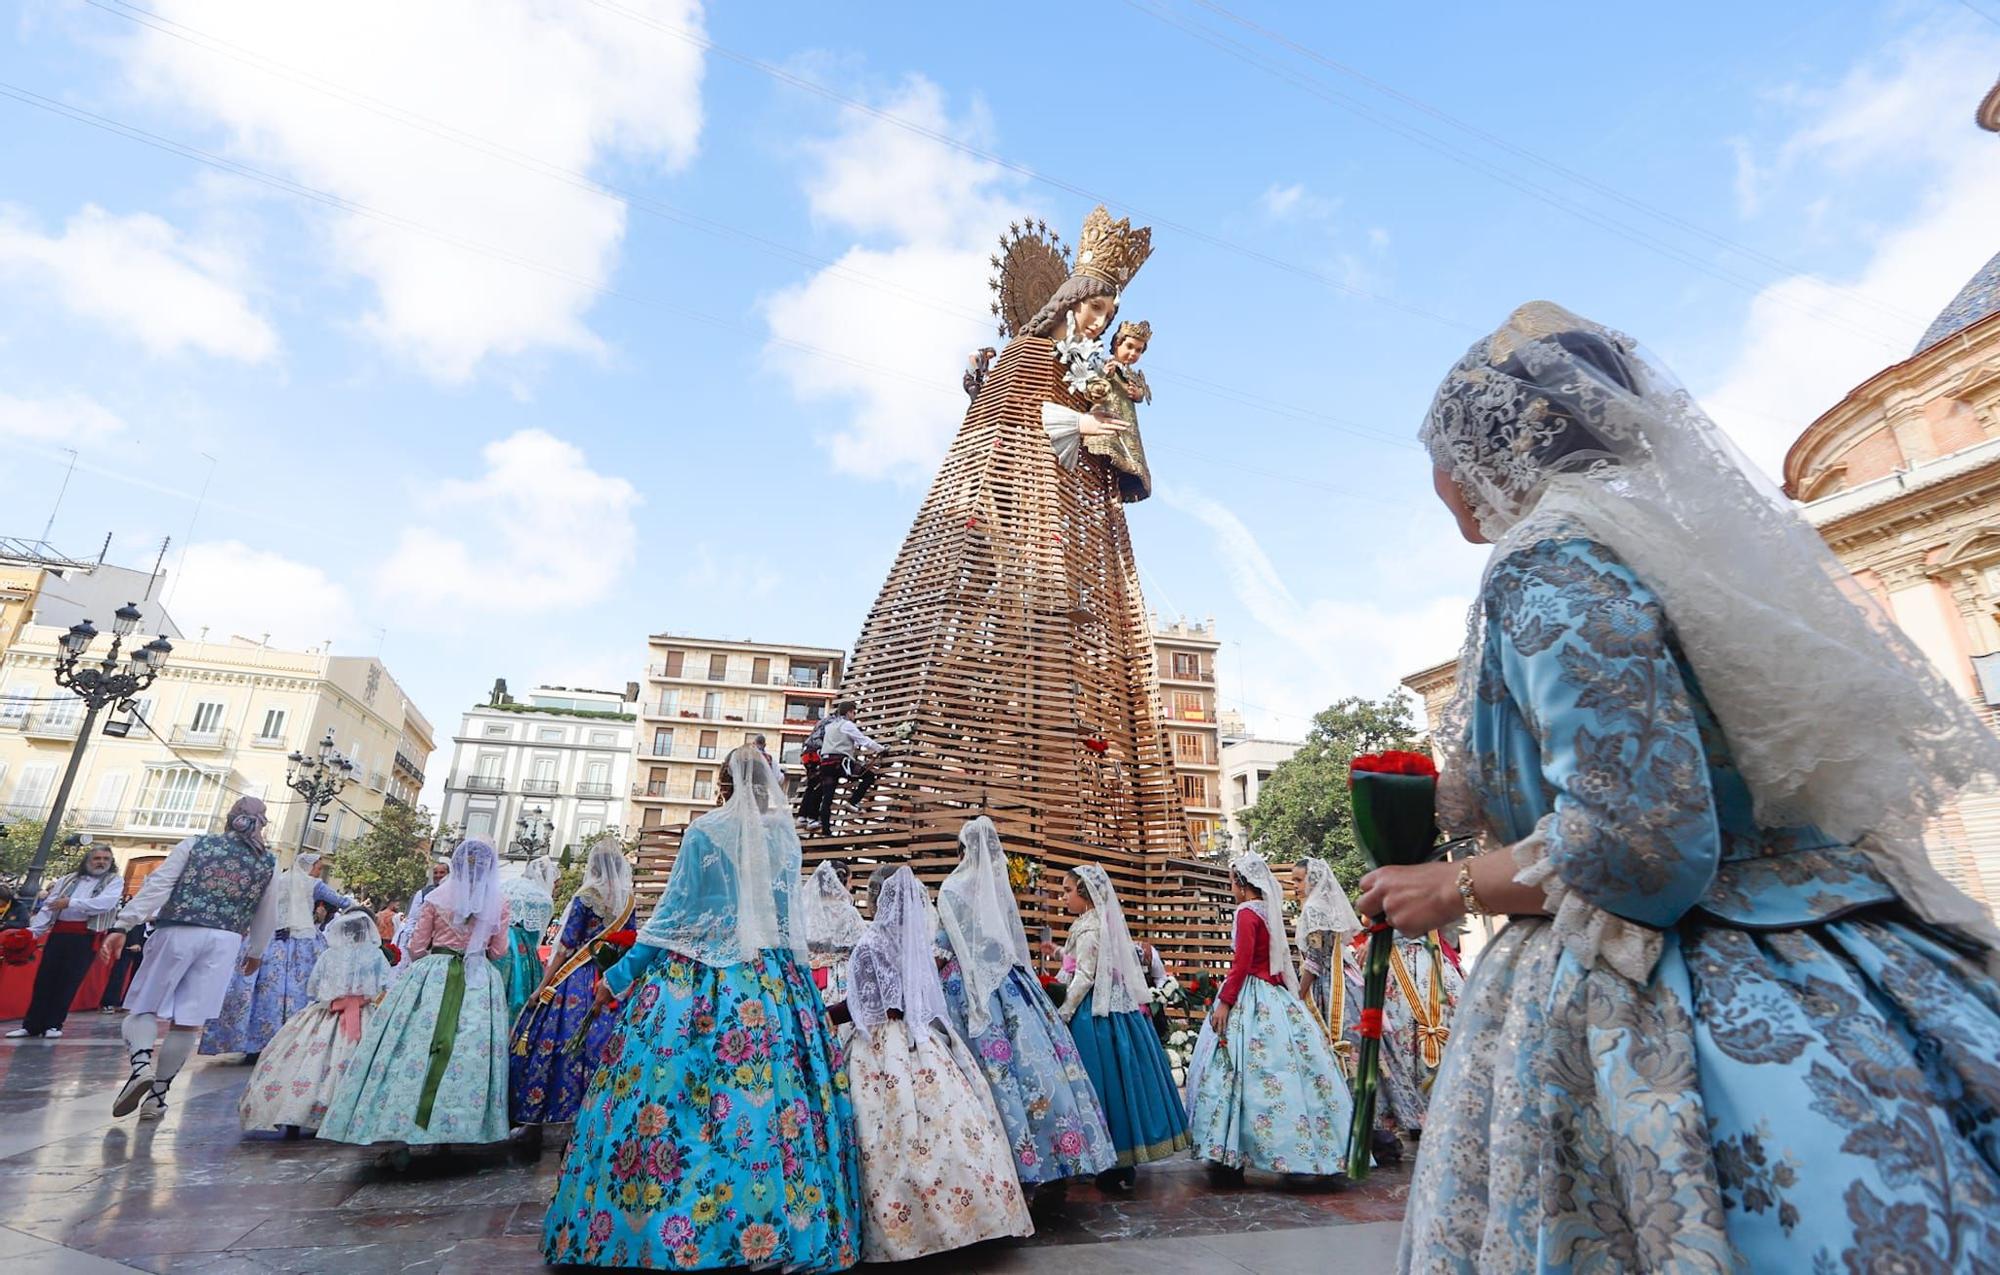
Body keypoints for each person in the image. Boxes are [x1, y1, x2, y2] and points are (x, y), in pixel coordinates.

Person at [1379, 302, 2000, 1271]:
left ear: (1482, 452)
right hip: (1829, 950)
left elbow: (1639, 843)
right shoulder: (1678, 554)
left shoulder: (1544, 561)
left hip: (1661, 989)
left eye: (1436, 450)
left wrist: (1452, 885)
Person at [542, 746, 860, 1270]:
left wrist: (616, 980)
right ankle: (779, 1226)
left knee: (678, 1106)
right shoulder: (784, 839)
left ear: (722, 786)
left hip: (697, 990)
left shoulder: (705, 833)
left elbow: (669, 922)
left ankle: (675, 1230)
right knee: (776, 1111)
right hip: (777, 993)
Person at [831, 866, 1032, 1261]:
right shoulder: (916, 941)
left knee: (884, 1134)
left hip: (880, 1047)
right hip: (922, 1042)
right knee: (951, 1126)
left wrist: (825, 1016)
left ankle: (906, 1229)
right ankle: (972, 1215)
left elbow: (867, 1005)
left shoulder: (871, 941)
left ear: (877, 899)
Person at [937, 818, 1114, 1188]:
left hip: (965, 989)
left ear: (962, 850)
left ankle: (991, 1170)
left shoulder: (953, 887)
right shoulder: (998, 887)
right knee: (1031, 1068)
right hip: (1012, 987)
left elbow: (945, 943)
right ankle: (1048, 1161)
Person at [99, 797, 285, 1122]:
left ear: (229, 819)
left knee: (143, 1006)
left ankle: (141, 1066)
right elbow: (267, 912)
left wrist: (123, 923)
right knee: (187, 1021)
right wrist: (256, 951)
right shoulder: (268, 862)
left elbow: (159, 885)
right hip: (225, 941)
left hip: (178, 930)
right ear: (262, 824)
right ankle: (157, 1097)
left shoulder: (196, 845)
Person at [319, 838, 511, 1149]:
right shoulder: (498, 903)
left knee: (410, 1047)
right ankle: (454, 1128)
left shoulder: (436, 897)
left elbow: (416, 946)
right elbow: (500, 951)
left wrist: (436, 958)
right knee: (467, 1049)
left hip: (432, 974)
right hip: (477, 980)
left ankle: (396, 1125)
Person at [1184, 851, 1352, 1180]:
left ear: (1241, 884)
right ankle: (1299, 1149)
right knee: (1285, 1072)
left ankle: (1228, 1155)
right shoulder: (1268, 912)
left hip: (1249, 993)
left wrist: (1225, 1002)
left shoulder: (1246, 912)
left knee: (1234, 1071)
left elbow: (1242, 963)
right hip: (1274, 994)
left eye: (1232, 881)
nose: (1231, 888)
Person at [1057, 864, 1190, 1191]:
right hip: (1122, 1015)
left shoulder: (1088, 928)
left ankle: (1110, 1160)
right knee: (1123, 1083)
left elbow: (1084, 977)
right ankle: (1121, 1159)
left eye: (1067, 890)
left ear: (1085, 894)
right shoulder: (1097, 923)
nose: (1063, 897)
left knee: (1101, 1085)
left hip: (1095, 1017)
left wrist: (1061, 1012)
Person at [508, 834, 634, 1134]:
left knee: (558, 1042)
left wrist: (542, 987)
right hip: (611, 978)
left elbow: (565, 946)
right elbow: (630, 942)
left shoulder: (586, 896)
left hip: (577, 978)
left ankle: (544, 1112)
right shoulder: (627, 901)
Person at [240, 905, 392, 1137]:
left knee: (305, 1062)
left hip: (325, 1013)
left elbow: (313, 986)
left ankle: (294, 1115)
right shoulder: (375, 955)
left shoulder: (329, 955)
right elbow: (385, 985)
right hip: (363, 1014)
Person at [202, 849, 353, 1059]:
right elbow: (343, 902)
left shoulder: (278, 881)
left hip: (269, 940)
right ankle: (291, 1041)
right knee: (299, 989)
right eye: (318, 868)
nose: (319, 872)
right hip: (302, 943)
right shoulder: (313, 884)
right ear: (309, 867)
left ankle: (252, 1043)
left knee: (260, 990)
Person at [11, 843, 124, 1038]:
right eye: (97, 859)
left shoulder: (114, 881)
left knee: (69, 980)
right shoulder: (68, 879)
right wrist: (33, 932)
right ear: (88, 861)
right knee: (44, 979)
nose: (101, 863)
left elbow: (104, 904)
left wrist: (71, 902)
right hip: (59, 934)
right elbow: (50, 906)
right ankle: (31, 1025)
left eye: (106, 859)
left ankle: (54, 1024)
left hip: (85, 937)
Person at [1289, 857, 1360, 1068]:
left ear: (1313, 880)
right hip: (1347, 978)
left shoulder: (1312, 909)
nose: (1295, 886)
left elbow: (1314, 959)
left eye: (1299, 880)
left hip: (1327, 985)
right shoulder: (1328, 907)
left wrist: (1299, 995)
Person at [799, 700, 881, 834]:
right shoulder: (847, 725)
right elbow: (863, 740)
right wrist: (880, 749)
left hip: (824, 763)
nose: (854, 715)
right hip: (839, 762)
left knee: (827, 797)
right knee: (869, 776)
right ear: (848, 712)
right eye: (854, 712)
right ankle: (852, 802)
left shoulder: (829, 725)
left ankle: (825, 830)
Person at [499, 856, 556, 1024]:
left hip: (499, 940)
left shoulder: (507, 886)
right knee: (519, 988)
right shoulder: (541, 898)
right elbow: (537, 934)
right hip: (522, 946)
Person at [802, 859, 864, 1006]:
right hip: (838, 975)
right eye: (850, 881)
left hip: (809, 974)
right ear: (840, 882)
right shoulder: (848, 912)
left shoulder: (807, 911)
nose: (851, 886)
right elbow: (861, 944)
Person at [394, 858, 449, 950]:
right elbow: (413, 919)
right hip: (423, 944)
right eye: (435, 873)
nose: (438, 875)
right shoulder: (423, 893)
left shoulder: (455, 894)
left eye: (442, 872)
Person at [99, 921, 150, 1012]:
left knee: (140, 973)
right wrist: (134, 941)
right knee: (120, 971)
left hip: (148, 938)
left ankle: (129, 1002)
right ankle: (109, 1002)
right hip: (130, 936)